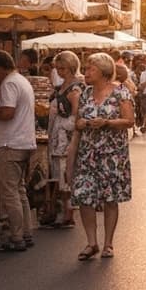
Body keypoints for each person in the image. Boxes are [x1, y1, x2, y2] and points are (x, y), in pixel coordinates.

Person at [67, 53, 134, 260]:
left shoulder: (120, 93)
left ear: (104, 72)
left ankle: (108, 244)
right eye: (86, 68)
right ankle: (91, 242)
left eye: (90, 69)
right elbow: (77, 123)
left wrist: (107, 122)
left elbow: (129, 121)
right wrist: (87, 124)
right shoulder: (85, 93)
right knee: (84, 196)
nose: (85, 72)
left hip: (112, 156)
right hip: (88, 154)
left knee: (109, 199)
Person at [0, 51, 37, 253]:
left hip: (10, 143)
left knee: (10, 192)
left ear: (0, 67)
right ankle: (26, 233)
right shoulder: (21, 80)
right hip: (22, 142)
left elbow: (7, 112)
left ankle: (16, 237)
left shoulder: (9, 84)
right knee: (19, 190)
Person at [45, 51, 85, 229]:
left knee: (65, 175)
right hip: (56, 136)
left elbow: (77, 116)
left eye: (63, 68)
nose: (60, 71)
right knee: (59, 175)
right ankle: (64, 211)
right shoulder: (62, 86)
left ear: (71, 68)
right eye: (58, 68)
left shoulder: (75, 89)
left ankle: (69, 213)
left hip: (65, 139)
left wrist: (62, 125)